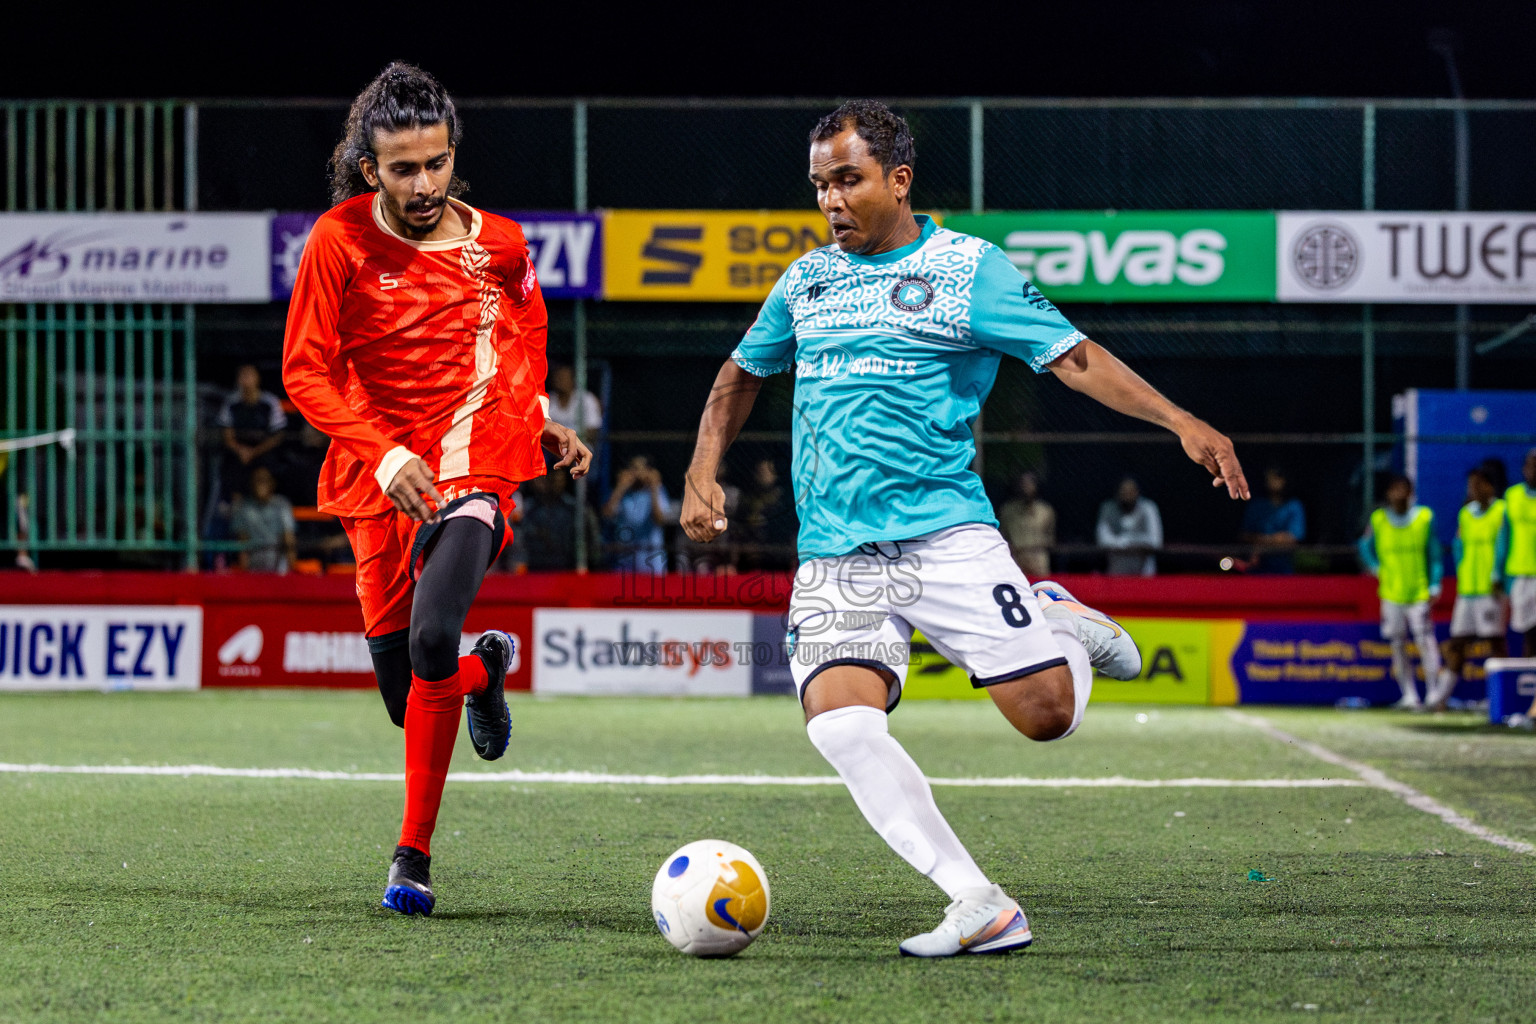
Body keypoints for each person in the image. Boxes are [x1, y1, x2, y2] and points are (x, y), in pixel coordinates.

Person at [679, 100, 1248, 958]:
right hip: (837, 556)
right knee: (841, 725)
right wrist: (701, 466)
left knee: (1048, 717)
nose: (831, 201)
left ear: (898, 180)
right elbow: (741, 372)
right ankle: (977, 900)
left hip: (946, 536)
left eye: (848, 180)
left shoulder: (968, 269)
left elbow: (1074, 357)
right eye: (820, 185)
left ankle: (1054, 619)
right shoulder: (806, 281)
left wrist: (1180, 422)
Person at [281, 63, 591, 917]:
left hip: (474, 454)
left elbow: (523, 331)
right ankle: (483, 671)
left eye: (438, 163)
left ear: (454, 154)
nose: (425, 184)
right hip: (374, 470)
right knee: (405, 691)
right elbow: (304, 370)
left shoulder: (501, 243)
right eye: (404, 168)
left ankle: (411, 856)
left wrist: (534, 415)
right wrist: (382, 457)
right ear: (368, 166)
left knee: (429, 639)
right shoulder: (337, 241)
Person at [1358, 474, 1443, 709]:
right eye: (1394, 489)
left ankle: (1434, 694)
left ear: (1410, 492)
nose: (1398, 494)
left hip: (1418, 591)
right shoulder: (1379, 519)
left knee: (1425, 642)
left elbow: (1434, 554)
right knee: (1397, 644)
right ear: (1388, 493)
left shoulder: (1424, 517)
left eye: (1403, 489)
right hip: (1391, 592)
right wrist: (1375, 567)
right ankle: (1409, 695)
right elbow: (1364, 545)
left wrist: (1435, 583)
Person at [1428, 467, 1507, 710]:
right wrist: (1462, 571)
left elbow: (1504, 545)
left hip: (1491, 588)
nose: (1472, 489)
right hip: (1467, 589)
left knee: (1494, 643)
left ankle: (1498, 699)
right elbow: (1458, 545)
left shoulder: (1501, 511)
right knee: (1458, 642)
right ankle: (1440, 698)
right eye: (1470, 485)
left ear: (1489, 487)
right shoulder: (1465, 514)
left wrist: (1497, 574)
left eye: (1478, 484)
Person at [217, 364, 288, 499]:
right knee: (231, 467)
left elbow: (278, 435)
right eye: (242, 375)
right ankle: (234, 506)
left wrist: (254, 452)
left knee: (269, 467)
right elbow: (227, 435)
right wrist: (241, 451)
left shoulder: (269, 402)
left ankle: (267, 503)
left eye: (249, 375)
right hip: (239, 452)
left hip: (263, 450)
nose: (246, 379)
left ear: (257, 378)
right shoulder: (231, 403)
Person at [603, 454, 672, 572]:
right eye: (634, 468)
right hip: (626, 559)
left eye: (641, 468)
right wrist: (621, 487)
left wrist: (654, 487)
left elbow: (660, 519)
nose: (637, 473)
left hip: (651, 560)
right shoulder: (623, 494)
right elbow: (607, 514)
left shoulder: (658, 491)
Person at [231, 466, 297, 574]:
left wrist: (290, 572)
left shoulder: (282, 505)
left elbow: (288, 538)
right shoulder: (243, 508)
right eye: (257, 480)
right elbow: (242, 544)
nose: (261, 484)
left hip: (278, 565)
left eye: (264, 480)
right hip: (254, 565)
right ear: (251, 483)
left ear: (272, 483)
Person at [1241, 466, 1306, 574]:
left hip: (1283, 569)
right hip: (1256, 570)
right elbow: (1244, 535)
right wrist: (1272, 541)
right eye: (1269, 478)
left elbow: (1292, 538)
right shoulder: (1256, 506)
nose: (1272, 481)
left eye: (1276, 477)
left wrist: (1261, 543)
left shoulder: (1294, 506)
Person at [1504, 449, 1536, 658]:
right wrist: (1499, 575)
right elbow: (1503, 538)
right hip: (1520, 574)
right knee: (1529, 634)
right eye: (1531, 465)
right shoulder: (1512, 495)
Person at [1096, 477, 1162, 576]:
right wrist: (1136, 543)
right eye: (1123, 491)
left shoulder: (1148, 508)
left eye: (1130, 491)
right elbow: (1103, 540)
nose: (1127, 494)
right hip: (1117, 573)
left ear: (1137, 492)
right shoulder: (1108, 508)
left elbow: (1155, 541)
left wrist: (1123, 541)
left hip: (1144, 575)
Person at [997, 471, 1055, 579]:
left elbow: (1050, 537)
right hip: (1015, 558)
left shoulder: (1046, 511)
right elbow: (1002, 534)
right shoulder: (1008, 510)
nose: (1026, 487)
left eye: (1029, 484)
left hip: (1038, 559)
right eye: (1023, 484)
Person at [546, 363, 603, 443]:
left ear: (573, 380)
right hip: (551, 446)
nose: (560, 380)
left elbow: (592, 430)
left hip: (580, 445)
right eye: (558, 377)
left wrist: (570, 442)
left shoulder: (587, 399)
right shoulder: (548, 399)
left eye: (564, 377)